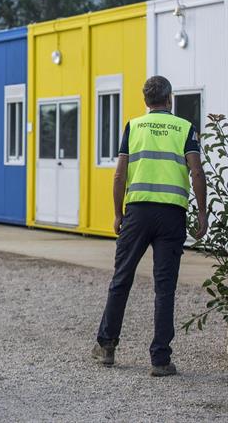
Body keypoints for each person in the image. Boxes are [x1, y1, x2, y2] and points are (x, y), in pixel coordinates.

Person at [92, 75, 207, 377]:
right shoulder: (185, 129)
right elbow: (196, 173)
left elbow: (119, 175)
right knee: (165, 286)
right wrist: (203, 214)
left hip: (138, 214)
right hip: (172, 216)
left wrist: (118, 213)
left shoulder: (134, 126)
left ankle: (106, 347)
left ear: (146, 101)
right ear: (169, 99)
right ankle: (160, 359)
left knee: (122, 277)